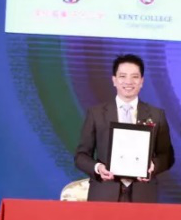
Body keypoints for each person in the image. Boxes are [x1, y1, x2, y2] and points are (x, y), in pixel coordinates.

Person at [74, 54, 175, 202]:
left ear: (142, 81)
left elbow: (167, 156)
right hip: (104, 193)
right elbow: (81, 156)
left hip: (143, 194)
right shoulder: (96, 113)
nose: (128, 82)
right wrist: (98, 168)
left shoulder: (156, 115)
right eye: (122, 76)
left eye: (135, 77)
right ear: (114, 80)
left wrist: (154, 166)